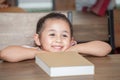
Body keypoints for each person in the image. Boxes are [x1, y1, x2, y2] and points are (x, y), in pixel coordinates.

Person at [0, 12, 112, 62]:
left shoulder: (71, 51)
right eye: (52, 34)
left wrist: (75, 49)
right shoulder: (34, 51)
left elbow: (106, 48)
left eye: (64, 35)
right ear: (38, 39)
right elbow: (4, 54)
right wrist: (41, 54)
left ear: (71, 41)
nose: (58, 40)